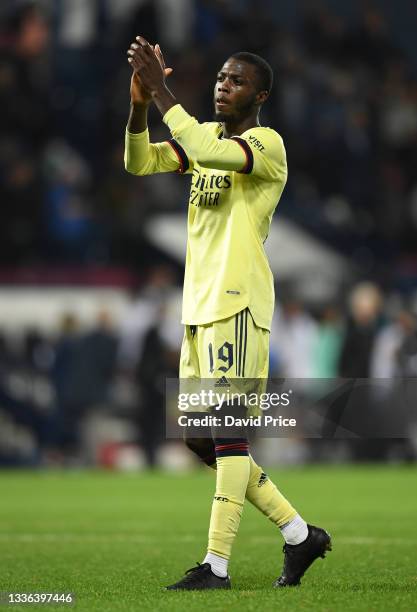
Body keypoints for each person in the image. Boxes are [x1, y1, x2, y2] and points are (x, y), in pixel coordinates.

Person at [124, 36, 331, 590]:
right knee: (199, 437)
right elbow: (139, 160)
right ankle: (298, 535)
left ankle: (215, 566)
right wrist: (141, 102)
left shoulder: (266, 145)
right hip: (198, 305)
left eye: (236, 80)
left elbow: (207, 152)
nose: (223, 85)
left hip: (238, 303)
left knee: (229, 432)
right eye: (219, 77)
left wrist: (163, 90)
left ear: (259, 95)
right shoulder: (205, 137)